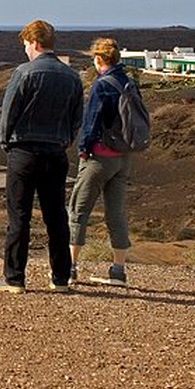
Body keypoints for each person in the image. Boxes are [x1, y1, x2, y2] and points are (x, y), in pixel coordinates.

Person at [0, 19, 83, 293]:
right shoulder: (72, 76)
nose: (24, 49)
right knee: (56, 216)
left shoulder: (24, 73)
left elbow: (8, 115)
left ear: (33, 43)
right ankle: (61, 278)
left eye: (25, 44)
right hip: (56, 153)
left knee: (19, 216)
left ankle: (14, 278)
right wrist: (63, 141)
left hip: (25, 152)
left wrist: (7, 144)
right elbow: (76, 117)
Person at [68, 38, 135, 287]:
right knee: (116, 214)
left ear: (98, 59)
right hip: (123, 157)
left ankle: (71, 267)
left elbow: (92, 122)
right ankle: (118, 271)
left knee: (78, 211)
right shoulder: (129, 82)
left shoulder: (102, 85)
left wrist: (84, 150)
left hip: (99, 157)